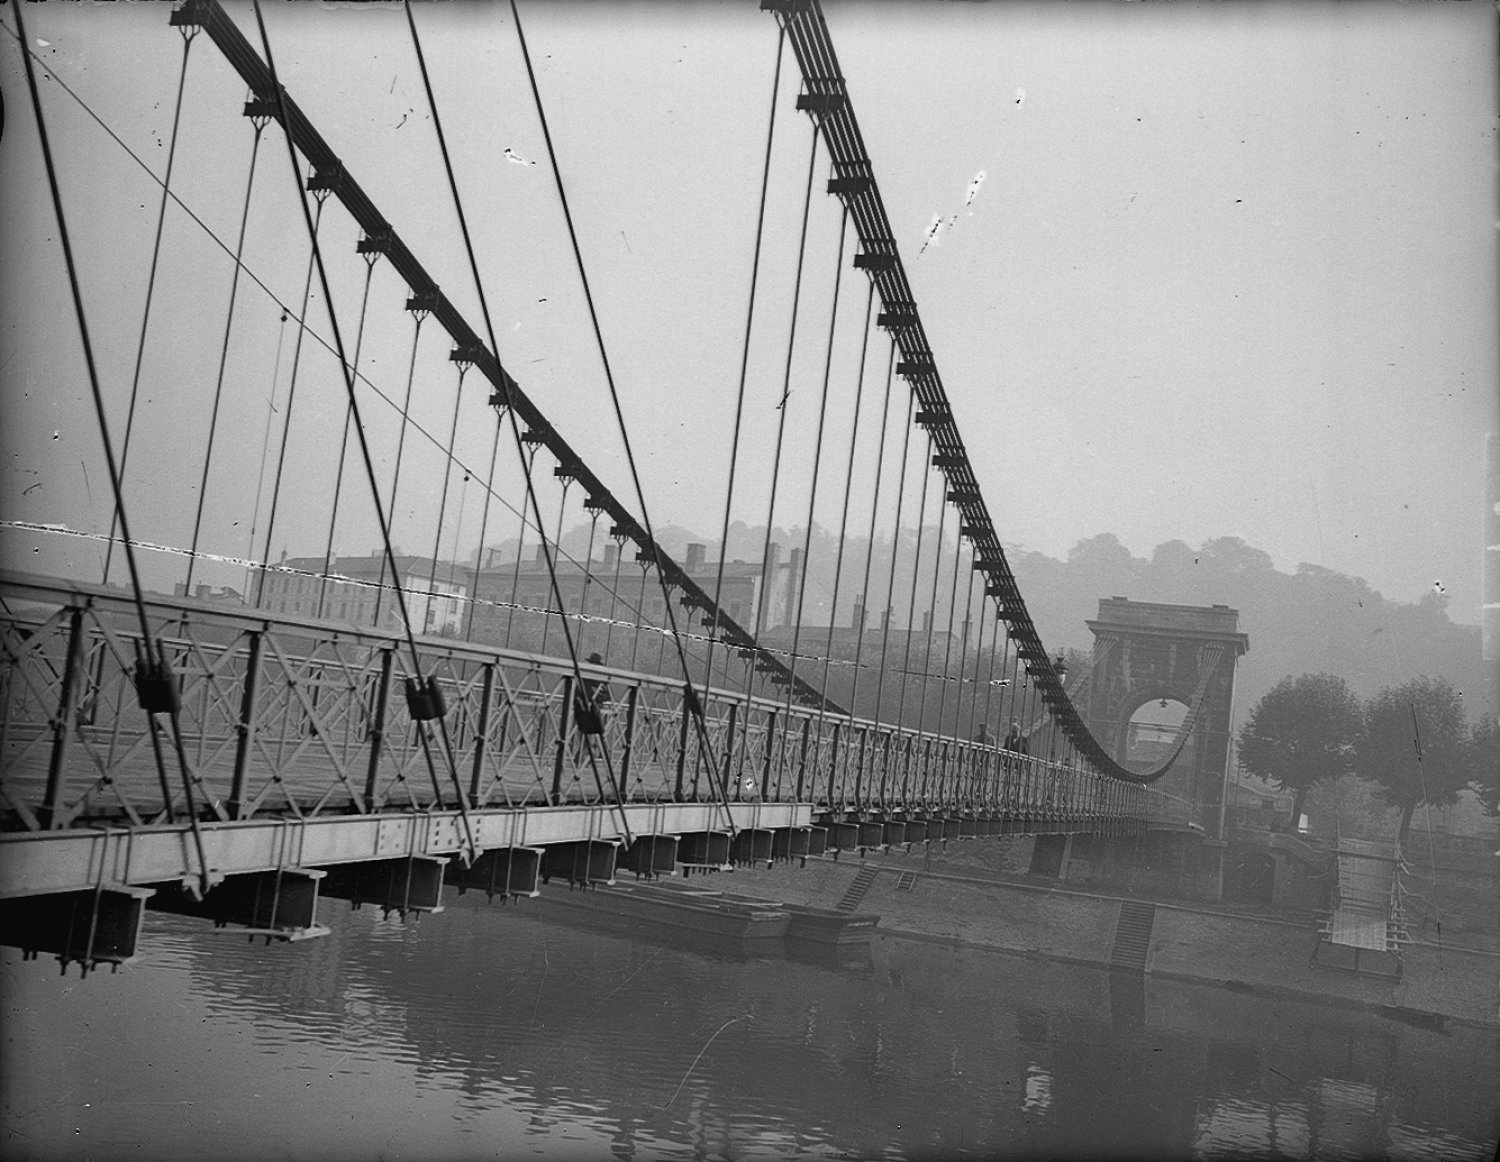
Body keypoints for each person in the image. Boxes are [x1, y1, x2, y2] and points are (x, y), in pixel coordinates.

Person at [571, 652, 612, 761]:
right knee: (587, 735)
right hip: (585, 709)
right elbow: (577, 692)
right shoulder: (585, 677)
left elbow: (607, 696)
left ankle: (584, 757)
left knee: (589, 735)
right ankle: (586, 757)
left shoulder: (598, 679)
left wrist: (597, 696)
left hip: (592, 710)